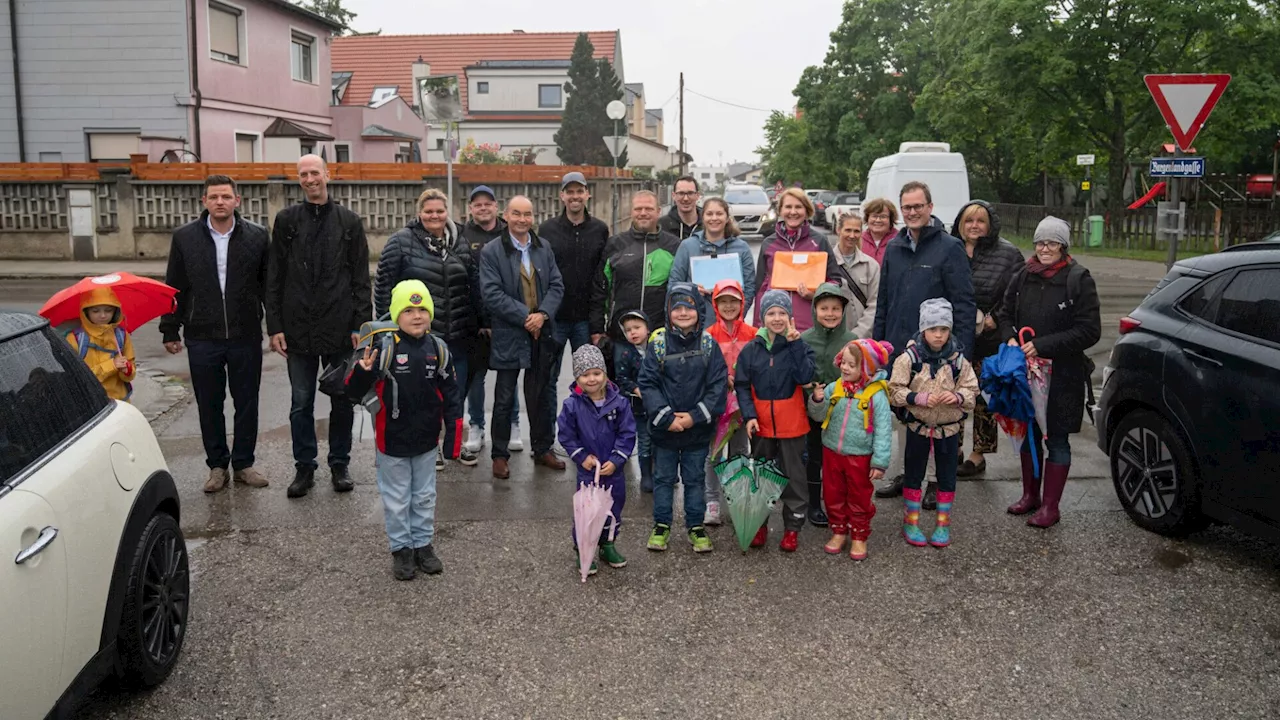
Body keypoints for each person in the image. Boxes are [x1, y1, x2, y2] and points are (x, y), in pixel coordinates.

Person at [266, 154, 372, 499]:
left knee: (341, 400)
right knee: (301, 402)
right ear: (298, 180)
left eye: (315, 172)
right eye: (303, 174)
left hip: (341, 328)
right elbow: (275, 277)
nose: (310, 179)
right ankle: (304, 467)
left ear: (328, 174)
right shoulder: (286, 221)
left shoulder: (349, 222)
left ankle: (339, 464)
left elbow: (360, 278)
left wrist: (361, 324)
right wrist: (275, 326)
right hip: (297, 329)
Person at [160, 174, 270, 493]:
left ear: (238, 201)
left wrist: (276, 328)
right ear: (204, 202)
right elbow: (174, 285)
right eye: (213, 197)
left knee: (246, 402)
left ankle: (244, 464)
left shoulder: (258, 237)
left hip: (245, 334)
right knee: (210, 403)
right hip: (201, 335)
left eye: (225, 196)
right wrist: (170, 328)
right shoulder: (184, 238)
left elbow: (268, 287)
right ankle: (217, 466)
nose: (219, 202)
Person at [345, 280, 461, 581]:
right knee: (397, 498)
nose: (417, 315)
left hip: (426, 440)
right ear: (396, 315)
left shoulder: (438, 348)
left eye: (422, 308)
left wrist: (453, 442)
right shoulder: (382, 348)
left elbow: (452, 395)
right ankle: (401, 549)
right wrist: (362, 372)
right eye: (408, 310)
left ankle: (423, 545)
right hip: (392, 440)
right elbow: (351, 391)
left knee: (424, 496)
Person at [872, 181, 976, 505]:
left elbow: (964, 303)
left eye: (918, 206)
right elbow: (884, 301)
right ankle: (909, 475)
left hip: (939, 351)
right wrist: (879, 349)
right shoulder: (893, 248)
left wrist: (961, 353)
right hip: (901, 349)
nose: (913, 212)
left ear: (930, 207)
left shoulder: (949, 247)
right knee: (905, 411)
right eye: (907, 207)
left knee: (937, 413)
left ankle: (934, 480)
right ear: (901, 211)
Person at [999, 216, 1101, 528]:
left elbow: (1089, 331)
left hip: (1062, 377)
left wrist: (1043, 345)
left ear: (1063, 246)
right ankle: (1031, 495)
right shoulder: (1023, 275)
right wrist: (1010, 338)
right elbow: (1004, 314)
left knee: (1056, 440)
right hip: (1025, 374)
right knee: (1028, 437)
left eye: (1052, 243)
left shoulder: (1078, 279)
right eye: (1041, 242)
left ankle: (1051, 507)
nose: (1045, 248)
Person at [373, 188, 482, 468]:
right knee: (422, 397)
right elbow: (384, 285)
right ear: (419, 213)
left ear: (449, 213)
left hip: (457, 333)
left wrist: (480, 322)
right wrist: (387, 325)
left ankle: (455, 446)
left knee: (455, 395)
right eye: (429, 211)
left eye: (439, 211)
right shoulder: (400, 241)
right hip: (418, 337)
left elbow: (473, 284)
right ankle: (429, 448)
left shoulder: (460, 241)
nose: (434, 216)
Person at [478, 195, 566, 479]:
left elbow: (556, 285)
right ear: (506, 216)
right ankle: (499, 455)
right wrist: (525, 317)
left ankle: (543, 448)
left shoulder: (543, 248)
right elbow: (491, 293)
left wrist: (542, 315)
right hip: (509, 333)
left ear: (533, 217)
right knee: (504, 398)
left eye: (527, 214)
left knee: (540, 395)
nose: (522, 220)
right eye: (516, 214)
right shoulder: (492, 251)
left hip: (542, 331)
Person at [639, 283, 728, 554]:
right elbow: (648, 383)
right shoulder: (657, 343)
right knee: (664, 479)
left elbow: (718, 385)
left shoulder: (708, 344)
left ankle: (695, 525)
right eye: (676, 307)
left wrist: (693, 417)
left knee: (694, 479)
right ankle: (662, 524)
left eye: (689, 307)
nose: (683, 312)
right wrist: (667, 418)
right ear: (668, 311)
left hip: (696, 430)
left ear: (699, 311)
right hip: (664, 430)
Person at [888, 299, 978, 548]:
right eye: (932, 329)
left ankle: (942, 524)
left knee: (947, 476)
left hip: (949, 430)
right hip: (918, 427)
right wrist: (917, 398)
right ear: (923, 330)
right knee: (914, 474)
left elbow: (972, 390)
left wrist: (958, 397)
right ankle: (911, 522)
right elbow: (893, 389)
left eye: (944, 329)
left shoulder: (959, 361)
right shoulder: (909, 359)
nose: (938, 335)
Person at [735, 290, 817, 552]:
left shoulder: (800, 346)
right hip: (762, 425)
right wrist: (748, 416)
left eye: (782, 313)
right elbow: (742, 386)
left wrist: (794, 345)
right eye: (771, 313)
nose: (777, 318)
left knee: (794, 478)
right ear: (762, 318)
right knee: (762, 475)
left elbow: (805, 376)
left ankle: (792, 528)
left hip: (792, 424)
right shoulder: (750, 350)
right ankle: (759, 525)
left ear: (791, 318)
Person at [538, 172, 611, 456]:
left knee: (590, 383)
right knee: (547, 381)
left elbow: (601, 280)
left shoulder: (600, 230)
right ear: (562, 196)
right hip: (555, 319)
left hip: (585, 320)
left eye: (579, 191)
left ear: (587, 195)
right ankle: (546, 444)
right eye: (570, 192)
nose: (575, 196)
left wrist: (598, 323)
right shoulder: (547, 230)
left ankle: (589, 441)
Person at [951, 201, 1024, 478]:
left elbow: (1016, 294)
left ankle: (977, 455)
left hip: (988, 338)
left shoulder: (1007, 253)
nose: (974, 226)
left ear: (990, 224)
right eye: (969, 221)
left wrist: (996, 317)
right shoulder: (950, 248)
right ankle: (953, 448)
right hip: (954, 337)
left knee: (983, 398)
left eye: (980, 221)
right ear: (960, 223)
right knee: (954, 395)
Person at [809, 339, 894, 560]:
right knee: (832, 493)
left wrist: (880, 461)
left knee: (859, 497)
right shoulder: (833, 388)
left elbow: (884, 430)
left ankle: (858, 535)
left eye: (851, 365)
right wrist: (817, 401)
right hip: (832, 453)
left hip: (861, 456)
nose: (845, 368)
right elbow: (818, 417)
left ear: (866, 369)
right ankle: (838, 531)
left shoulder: (877, 396)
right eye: (843, 362)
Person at [558, 344, 636, 576]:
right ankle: (584, 546)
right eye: (585, 374)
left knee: (613, 508)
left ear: (604, 373)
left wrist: (617, 459)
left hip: (613, 470)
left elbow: (627, 433)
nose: (591, 379)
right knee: (586, 510)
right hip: (588, 470)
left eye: (596, 373)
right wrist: (581, 457)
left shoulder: (620, 404)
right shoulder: (571, 405)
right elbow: (566, 435)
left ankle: (608, 544)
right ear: (577, 377)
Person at [459, 185, 517, 455]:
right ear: (471, 209)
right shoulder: (462, 235)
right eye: (477, 204)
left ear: (497, 206)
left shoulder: (510, 233)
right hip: (474, 320)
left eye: (488, 203)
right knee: (475, 377)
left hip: (506, 318)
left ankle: (513, 424)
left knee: (509, 376)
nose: (483, 208)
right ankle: (477, 426)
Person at [800, 283, 858, 527]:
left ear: (843, 311)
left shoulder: (851, 340)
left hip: (843, 411)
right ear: (815, 310)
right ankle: (814, 504)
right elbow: (799, 373)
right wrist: (810, 389)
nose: (830, 313)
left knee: (839, 459)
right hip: (812, 409)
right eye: (824, 308)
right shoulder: (804, 339)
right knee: (813, 457)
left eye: (836, 308)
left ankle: (840, 502)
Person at [591, 190, 682, 344]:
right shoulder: (614, 245)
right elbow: (600, 290)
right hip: (621, 334)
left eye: (649, 209)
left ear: (659, 211)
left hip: (661, 334)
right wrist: (596, 329)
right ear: (631, 212)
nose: (643, 213)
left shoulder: (674, 246)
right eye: (638, 209)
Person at [753, 188, 845, 332]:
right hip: (776, 328)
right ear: (780, 210)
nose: (793, 212)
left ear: (807, 210)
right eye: (788, 207)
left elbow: (835, 282)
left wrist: (815, 294)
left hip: (810, 328)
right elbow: (760, 288)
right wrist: (758, 326)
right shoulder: (768, 243)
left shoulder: (819, 241)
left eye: (798, 207)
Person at [703, 279, 755, 526]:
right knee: (713, 455)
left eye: (733, 301)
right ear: (715, 304)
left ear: (742, 303)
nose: (728, 306)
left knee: (740, 452)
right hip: (716, 408)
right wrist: (724, 379)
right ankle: (712, 502)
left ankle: (738, 498)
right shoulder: (709, 335)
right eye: (723, 301)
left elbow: (757, 366)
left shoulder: (753, 334)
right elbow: (704, 370)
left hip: (742, 409)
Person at [668, 196, 757, 320]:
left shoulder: (742, 248)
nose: (714, 218)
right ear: (702, 218)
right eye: (709, 214)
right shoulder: (687, 246)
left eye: (719, 214)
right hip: (696, 321)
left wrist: (739, 315)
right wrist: (690, 291)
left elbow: (749, 287)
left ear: (727, 218)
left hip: (731, 323)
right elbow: (674, 285)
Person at [67, 287, 136, 402]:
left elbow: (129, 375)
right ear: (86, 312)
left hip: (120, 402)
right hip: (90, 404)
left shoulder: (121, 336)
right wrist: (112, 365)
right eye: (95, 311)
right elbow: (78, 379)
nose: (103, 315)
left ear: (115, 311)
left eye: (108, 310)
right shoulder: (75, 339)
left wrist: (127, 370)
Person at [612, 310, 653, 493]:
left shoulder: (656, 348)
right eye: (628, 330)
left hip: (660, 405)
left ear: (647, 328)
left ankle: (662, 471)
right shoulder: (626, 353)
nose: (633, 333)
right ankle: (646, 475)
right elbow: (622, 378)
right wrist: (637, 389)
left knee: (661, 440)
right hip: (638, 407)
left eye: (637, 328)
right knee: (644, 440)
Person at [831, 213, 880, 338]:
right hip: (832, 336)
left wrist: (857, 335)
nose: (852, 236)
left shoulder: (871, 266)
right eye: (848, 230)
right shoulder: (826, 262)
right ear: (838, 230)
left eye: (856, 231)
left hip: (862, 338)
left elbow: (874, 305)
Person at [659, 175, 702, 239]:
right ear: (673, 196)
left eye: (690, 193)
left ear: (697, 195)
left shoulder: (708, 224)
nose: (686, 199)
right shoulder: (661, 226)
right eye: (681, 193)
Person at [860, 198, 899, 266]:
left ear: (891, 219)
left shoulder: (900, 240)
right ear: (867, 218)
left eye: (883, 217)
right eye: (874, 216)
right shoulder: (859, 239)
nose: (878, 220)